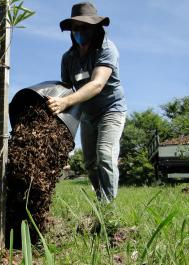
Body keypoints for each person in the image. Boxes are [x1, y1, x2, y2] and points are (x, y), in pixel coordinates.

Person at [47, 2, 127, 202]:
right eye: (75, 28)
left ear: (95, 27)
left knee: (105, 155)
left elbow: (97, 84)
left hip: (111, 109)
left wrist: (65, 102)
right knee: (91, 163)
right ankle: (102, 201)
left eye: (84, 27)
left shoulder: (107, 49)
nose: (79, 32)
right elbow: (64, 89)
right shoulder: (68, 58)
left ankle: (109, 211)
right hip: (87, 114)